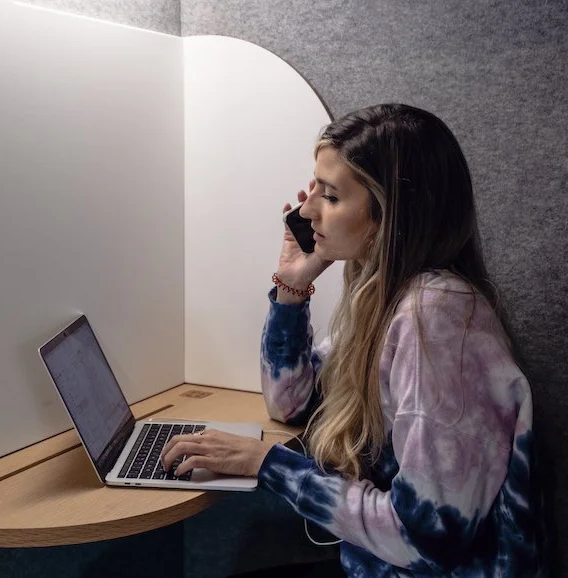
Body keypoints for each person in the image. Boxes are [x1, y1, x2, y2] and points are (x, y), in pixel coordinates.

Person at [161, 104, 544, 576]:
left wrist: (267, 465)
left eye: (332, 196)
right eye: (314, 190)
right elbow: (293, 404)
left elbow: (426, 538)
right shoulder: (384, 297)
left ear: (391, 215)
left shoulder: (438, 322)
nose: (305, 211)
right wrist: (291, 289)